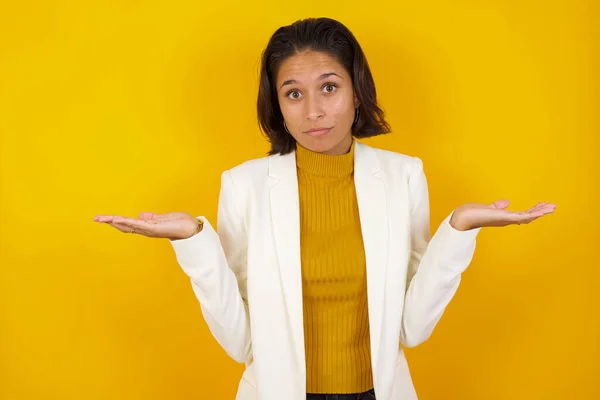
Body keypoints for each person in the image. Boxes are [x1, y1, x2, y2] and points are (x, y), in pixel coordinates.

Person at [94, 17, 556, 400]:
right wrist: (192, 241)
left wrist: (459, 229)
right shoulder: (243, 186)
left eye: (329, 87)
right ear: (277, 104)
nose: (313, 110)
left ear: (356, 91)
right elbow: (241, 343)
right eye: (293, 93)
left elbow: (412, 328)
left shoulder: (403, 177)